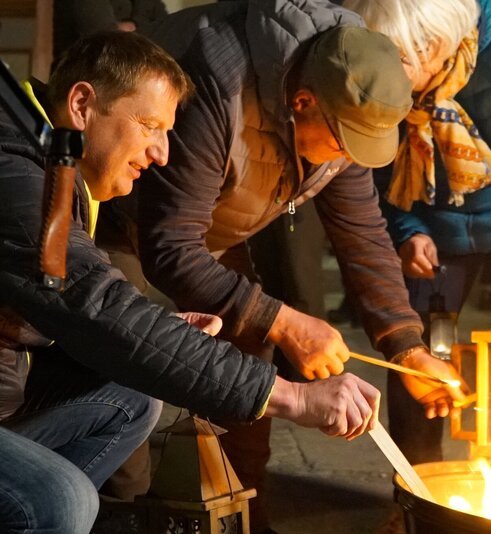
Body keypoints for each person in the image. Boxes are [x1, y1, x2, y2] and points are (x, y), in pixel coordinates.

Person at [96, 1, 466, 528]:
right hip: (112, 213)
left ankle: (246, 514)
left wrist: (406, 347)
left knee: (247, 352)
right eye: (342, 143)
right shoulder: (217, 85)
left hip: (210, 225)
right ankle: (125, 514)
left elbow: (362, 232)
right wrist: (287, 321)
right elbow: (170, 248)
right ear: (302, 102)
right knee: (123, 375)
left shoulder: (347, 99)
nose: (345, 158)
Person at [0, 30, 380, 532]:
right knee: (62, 498)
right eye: (149, 125)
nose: (160, 154)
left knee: (132, 399)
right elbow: (96, 305)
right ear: (82, 103)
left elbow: (70, 311)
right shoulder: (17, 176)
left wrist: (164, 335)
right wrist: (292, 396)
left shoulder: (55, 166)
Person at [344, 0, 491, 465]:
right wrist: (407, 230)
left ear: (435, 46)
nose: (389, 74)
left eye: (402, 59)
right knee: (418, 352)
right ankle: (418, 491)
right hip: (430, 225)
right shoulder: (384, 64)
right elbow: (369, 165)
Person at [53, 0, 169, 60]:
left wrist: (134, 25)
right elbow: (106, 37)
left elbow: (165, 27)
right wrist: (147, 28)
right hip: (91, 72)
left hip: (137, 66)